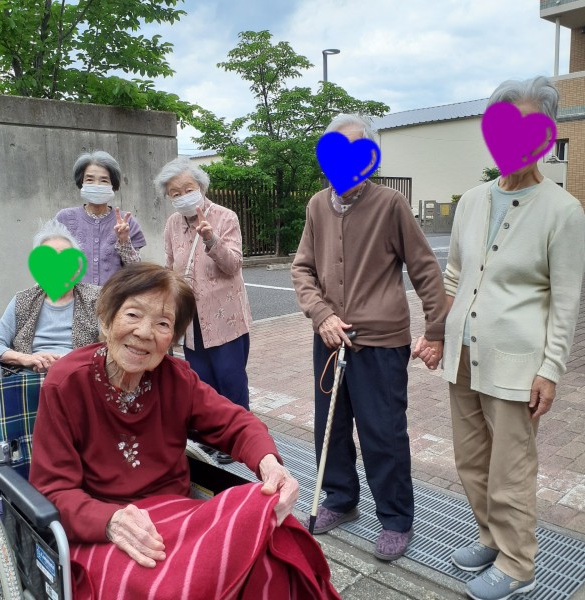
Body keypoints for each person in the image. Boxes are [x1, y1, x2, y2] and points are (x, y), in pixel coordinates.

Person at [29, 263, 339, 599]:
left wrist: (270, 464)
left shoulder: (177, 378)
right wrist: (110, 520)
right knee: (165, 589)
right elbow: (53, 489)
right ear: (106, 319)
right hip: (104, 528)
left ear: (172, 339)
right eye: (133, 315)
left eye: (162, 323)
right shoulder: (66, 383)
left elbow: (235, 423)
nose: (144, 332)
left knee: (270, 550)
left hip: (177, 516)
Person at [438, 76, 585, 600]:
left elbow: (566, 301)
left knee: (510, 469)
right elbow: (454, 276)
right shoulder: (473, 200)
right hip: (462, 354)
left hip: (518, 361)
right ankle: (492, 539)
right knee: (471, 460)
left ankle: (518, 564)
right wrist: (437, 334)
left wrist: (551, 369)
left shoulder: (563, 211)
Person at [291, 114, 447, 561]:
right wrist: (321, 314)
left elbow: (424, 268)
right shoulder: (317, 206)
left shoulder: (390, 204)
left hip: (381, 340)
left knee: (383, 432)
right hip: (329, 337)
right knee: (331, 425)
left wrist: (435, 329)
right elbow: (302, 268)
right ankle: (340, 498)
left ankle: (396, 519)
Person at [0, 219, 100, 489]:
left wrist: (71, 361)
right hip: (28, 376)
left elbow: (109, 343)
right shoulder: (23, 300)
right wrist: (28, 358)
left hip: (78, 377)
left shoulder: (97, 298)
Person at [155, 157, 253, 464]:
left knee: (230, 381)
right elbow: (170, 265)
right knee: (202, 384)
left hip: (225, 317)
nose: (182, 196)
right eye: (175, 193)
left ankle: (238, 439)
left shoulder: (225, 217)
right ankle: (210, 438)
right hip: (190, 320)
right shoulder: (172, 224)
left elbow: (233, 265)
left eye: (188, 188)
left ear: (201, 186)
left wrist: (211, 238)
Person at [55, 150, 146, 286]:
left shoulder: (127, 221)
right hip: (74, 297)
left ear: (113, 185)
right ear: (81, 182)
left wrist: (124, 241)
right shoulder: (64, 218)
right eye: (90, 180)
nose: (96, 185)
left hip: (113, 296)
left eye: (104, 180)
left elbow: (135, 271)